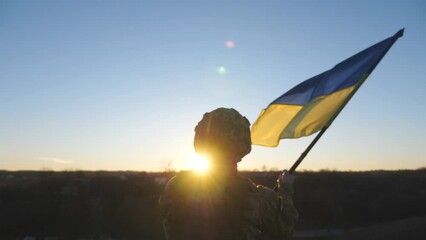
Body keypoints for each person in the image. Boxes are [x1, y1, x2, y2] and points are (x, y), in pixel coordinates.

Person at [159, 108, 298, 240]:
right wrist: (285, 188)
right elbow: (285, 230)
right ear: (243, 145)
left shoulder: (175, 186)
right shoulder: (258, 199)